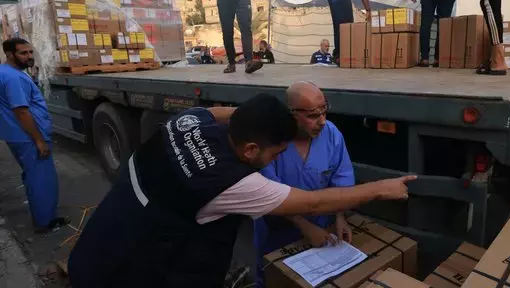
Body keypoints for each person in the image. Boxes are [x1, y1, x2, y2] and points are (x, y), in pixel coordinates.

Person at [68, 93, 416, 288]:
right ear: (251, 150)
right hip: (127, 273)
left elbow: (229, 112)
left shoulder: (186, 122)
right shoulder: (233, 182)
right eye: (275, 152)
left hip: (101, 243)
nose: (277, 158)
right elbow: (314, 202)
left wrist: (272, 116)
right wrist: (380, 189)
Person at [253, 82, 355, 287]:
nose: (322, 121)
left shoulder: (332, 135)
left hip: (322, 228)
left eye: (324, 112)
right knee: (276, 279)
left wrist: (339, 216)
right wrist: (306, 227)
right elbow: (271, 195)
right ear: (291, 114)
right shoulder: (272, 141)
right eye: (313, 116)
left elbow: (341, 179)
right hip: (277, 232)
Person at [0, 38, 68, 233]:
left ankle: (41, 215)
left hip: (17, 136)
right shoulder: (14, 78)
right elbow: (21, 111)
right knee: (42, 179)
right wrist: (38, 139)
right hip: (28, 138)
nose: (29, 56)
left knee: (32, 176)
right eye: (23, 53)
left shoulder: (6, 72)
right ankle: (46, 222)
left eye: (30, 52)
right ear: (10, 54)